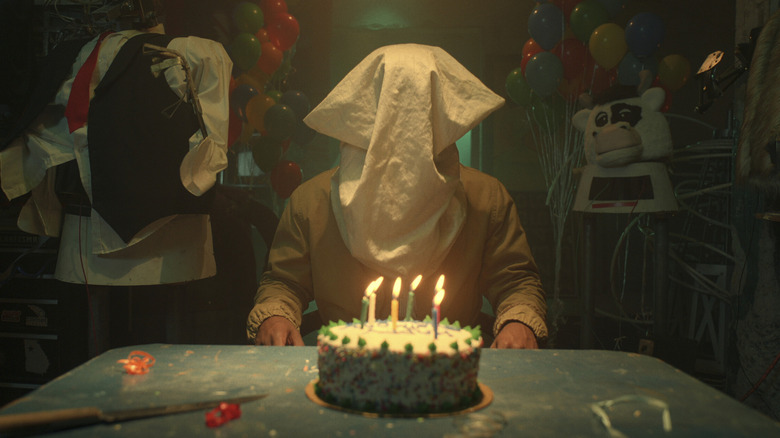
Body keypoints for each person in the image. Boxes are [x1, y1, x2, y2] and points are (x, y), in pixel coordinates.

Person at [247, 44, 547, 349]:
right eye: (392, 112)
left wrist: (518, 321)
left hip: (450, 366)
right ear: (364, 116)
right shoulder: (311, 201)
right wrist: (276, 316)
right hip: (347, 364)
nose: (404, 125)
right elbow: (283, 282)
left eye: (418, 112)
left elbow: (515, 281)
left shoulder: (486, 198)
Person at [0, 0, 235, 351]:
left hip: (132, 222)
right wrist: (190, 182)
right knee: (163, 333)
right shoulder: (199, 53)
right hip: (151, 219)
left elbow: (53, 138)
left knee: (129, 338)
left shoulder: (79, 58)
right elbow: (211, 150)